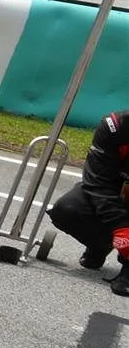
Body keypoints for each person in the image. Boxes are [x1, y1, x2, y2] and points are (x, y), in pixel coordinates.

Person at [48, 110, 129, 297]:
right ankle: (101, 244)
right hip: (113, 191)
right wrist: (120, 227)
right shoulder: (115, 125)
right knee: (67, 210)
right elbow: (97, 182)